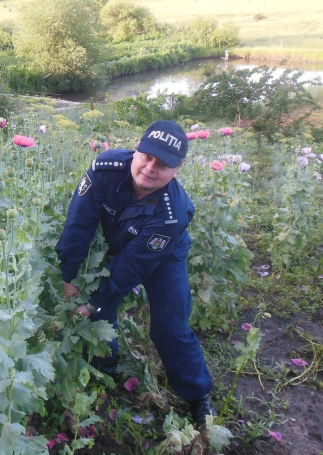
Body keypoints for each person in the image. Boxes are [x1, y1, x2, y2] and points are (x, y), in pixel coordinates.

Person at [55, 120, 214, 429]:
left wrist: (94, 302)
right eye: (147, 156)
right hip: (119, 237)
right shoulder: (106, 168)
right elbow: (78, 226)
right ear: (137, 149)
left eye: (164, 164)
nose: (151, 168)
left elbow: (129, 269)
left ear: (178, 168)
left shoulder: (173, 214)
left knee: (170, 325)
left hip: (163, 253)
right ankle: (105, 369)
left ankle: (197, 395)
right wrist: (69, 280)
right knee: (101, 313)